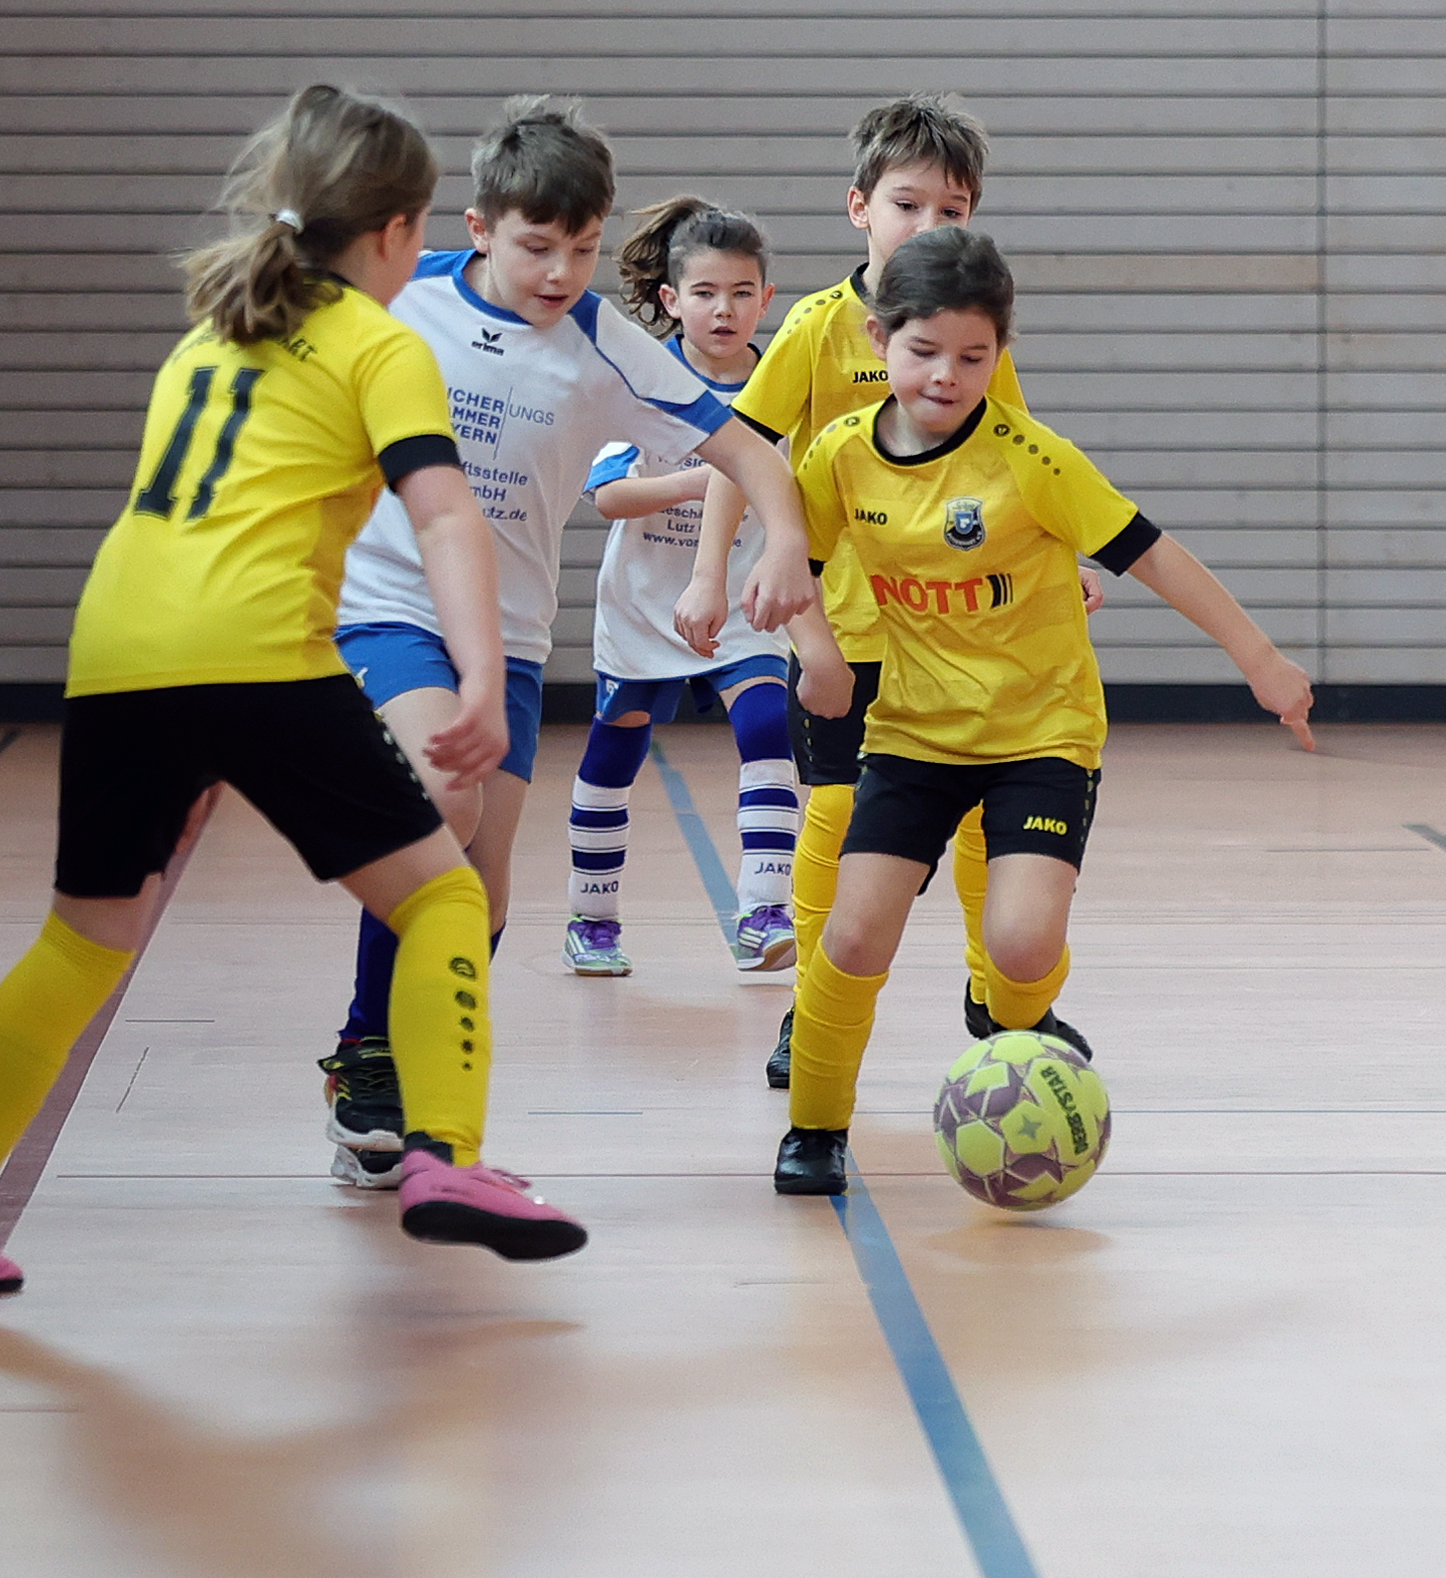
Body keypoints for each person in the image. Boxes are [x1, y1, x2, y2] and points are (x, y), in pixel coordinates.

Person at [0, 86, 588, 1295]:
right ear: (394, 232)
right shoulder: (380, 343)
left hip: (116, 649)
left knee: (83, 937)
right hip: (253, 643)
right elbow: (444, 516)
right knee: (441, 896)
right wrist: (481, 674)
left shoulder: (212, 331)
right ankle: (442, 1156)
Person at [749, 228, 1314, 1193]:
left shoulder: (1032, 459)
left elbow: (1153, 554)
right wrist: (820, 655)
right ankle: (815, 1128)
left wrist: (1258, 659)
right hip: (914, 734)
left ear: (1000, 354)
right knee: (852, 938)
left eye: (974, 356)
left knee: (1020, 943)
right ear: (880, 339)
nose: (947, 375)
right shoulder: (840, 457)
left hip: (1041, 734)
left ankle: (1017, 1020)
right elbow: (794, 561)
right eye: (925, 350)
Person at [318, 100, 816, 1187]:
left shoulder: (602, 345)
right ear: (479, 226)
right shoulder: (400, 296)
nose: (559, 272)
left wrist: (783, 538)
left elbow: (751, 451)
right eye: (537, 246)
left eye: (582, 249)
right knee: (440, 803)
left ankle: (413, 1097)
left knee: (482, 892)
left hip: (507, 631)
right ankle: (369, 1053)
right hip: (388, 604)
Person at [677, 95, 1099, 1089]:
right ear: (859, 207)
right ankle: (811, 1005)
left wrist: (1067, 555)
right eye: (908, 204)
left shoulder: (968, 335)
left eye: (951, 210)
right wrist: (707, 571)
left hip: (961, 632)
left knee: (982, 821)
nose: (927, 225)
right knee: (834, 817)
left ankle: (998, 995)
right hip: (843, 623)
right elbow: (740, 451)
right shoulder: (817, 328)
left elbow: (1020, 462)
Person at [561, 198, 799, 979]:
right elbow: (609, 496)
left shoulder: (782, 385)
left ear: (766, 299)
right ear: (671, 298)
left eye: (740, 292)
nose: (723, 309)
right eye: (704, 293)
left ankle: (764, 911)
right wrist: (712, 476)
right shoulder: (646, 380)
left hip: (742, 602)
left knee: (766, 724)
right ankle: (591, 916)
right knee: (616, 748)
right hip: (644, 605)